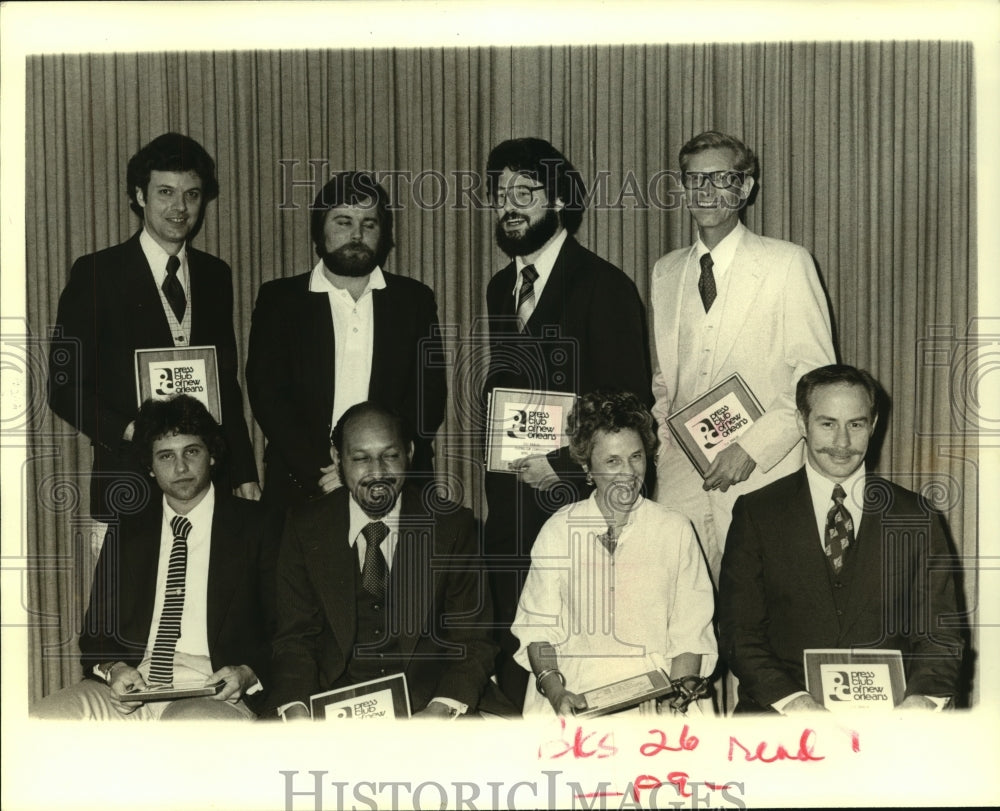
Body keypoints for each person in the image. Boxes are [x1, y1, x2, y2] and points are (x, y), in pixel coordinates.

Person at [482, 137, 652, 706]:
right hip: (511, 501)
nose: (509, 204)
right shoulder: (501, 287)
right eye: (500, 193)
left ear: (558, 199)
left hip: (581, 504)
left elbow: (628, 408)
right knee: (522, 635)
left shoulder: (605, 286)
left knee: (583, 647)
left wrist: (560, 464)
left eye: (524, 192)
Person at [718, 365, 964, 713]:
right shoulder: (757, 513)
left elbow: (940, 634)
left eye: (856, 424)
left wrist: (921, 700)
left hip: (894, 718)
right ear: (802, 424)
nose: (842, 443)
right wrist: (795, 703)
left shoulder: (916, 516)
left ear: (873, 425)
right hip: (782, 718)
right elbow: (739, 634)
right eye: (828, 423)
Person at [650, 131, 836, 581]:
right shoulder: (666, 270)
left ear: (746, 187)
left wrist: (751, 449)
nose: (706, 191)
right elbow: (663, 379)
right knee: (679, 605)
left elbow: (817, 379)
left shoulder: (787, 262)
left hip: (761, 471)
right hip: (681, 472)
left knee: (758, 607)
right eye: (695, 179)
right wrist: (662, 446)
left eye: (721, 178)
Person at [48, 132, 260, 520]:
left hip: (208, 484)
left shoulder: (216, 275)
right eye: (165, 192)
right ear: (140, 196)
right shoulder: (96, 274)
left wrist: (244, 472)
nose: (180, 207)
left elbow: (224, 384)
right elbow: (64, 389)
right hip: (128, 480)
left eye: (192, 195)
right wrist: (135, 432)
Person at [31, 395, 277, 720]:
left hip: (215, 690)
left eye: (191, 451)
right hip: (134, 688)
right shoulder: (128, 529)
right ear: (149, 466)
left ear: (212, 456)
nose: (180, 468)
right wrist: (115, 669)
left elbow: (288, 631)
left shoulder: (259, 525)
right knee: (43, 721)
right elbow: (96, 633)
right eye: (165, 456)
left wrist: (247, 672)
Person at [268, 401, 502, 720]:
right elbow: (295, 640)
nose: (377, 473)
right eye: (361, 459)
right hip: (327, 705)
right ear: (338, 459)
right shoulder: (304, 528)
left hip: (428, 703)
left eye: (390, 456)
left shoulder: (452, 527)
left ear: (409, 453)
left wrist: (440, 709)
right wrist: (298, 711)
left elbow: (473, 640)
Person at [247, 172, 446, 510]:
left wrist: (374, 470)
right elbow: (268, 395)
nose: (357, 234)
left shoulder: (413, 300)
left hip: (394, 484)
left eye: (369, 223)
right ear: (319, 229)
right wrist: (328, 472)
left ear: (384, 234)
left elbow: (428, 396)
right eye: (343, 221)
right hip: (304, 485)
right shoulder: (280, 300)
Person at [511, 390, 717, 716]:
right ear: (587, 469)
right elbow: (538, 629)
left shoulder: (675, 529)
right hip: (575, 696)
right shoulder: (558, 530)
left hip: (663, 697)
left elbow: (691, 635)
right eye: (612, 461)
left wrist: (674, 700)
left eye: (636, 457)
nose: (628, 473)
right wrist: (556, 692)